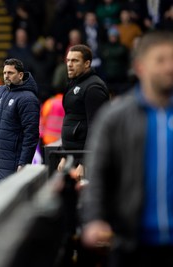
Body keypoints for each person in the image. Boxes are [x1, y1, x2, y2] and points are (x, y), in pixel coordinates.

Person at [80, 30, 173, 266]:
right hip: (131, 246)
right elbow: (99, 172)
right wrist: (94, 219)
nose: (169, 67)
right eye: (160, 60)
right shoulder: (115, 117)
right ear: (140, 67)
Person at [57, 44, 109, 178]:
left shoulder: (93, 88)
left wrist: (85, 162)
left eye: (75, 61)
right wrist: (64, 155)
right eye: (68, 60)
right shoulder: (73, 84)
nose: (69, 64)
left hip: (84, 161)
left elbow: (96, 127)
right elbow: (71, 120)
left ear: (87, 64)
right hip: (71, 157)